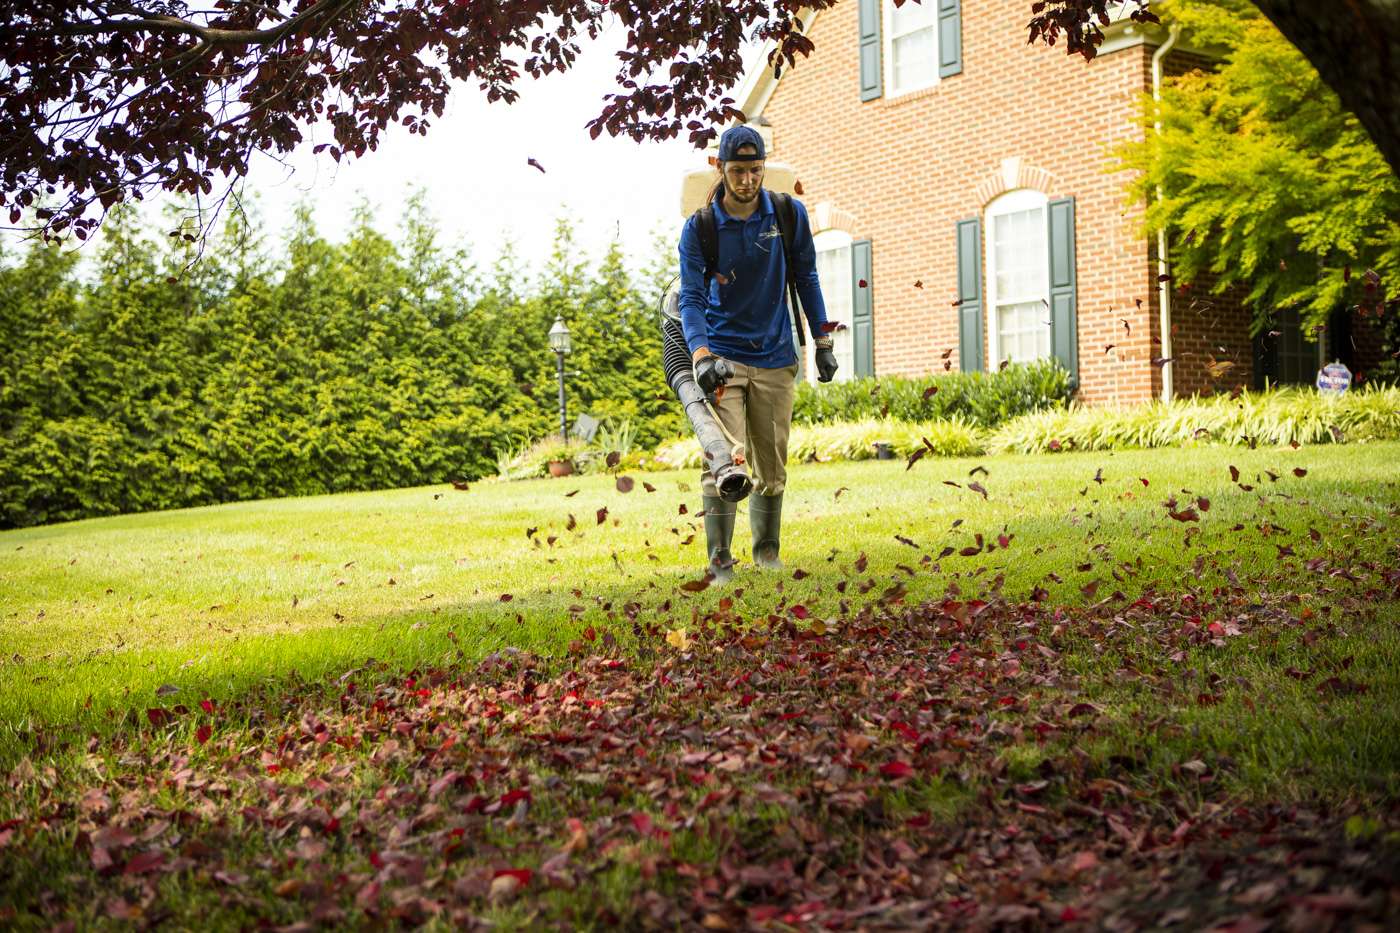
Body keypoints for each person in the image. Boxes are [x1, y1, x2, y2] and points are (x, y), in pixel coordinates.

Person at [676, 124, 839, 582]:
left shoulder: (787, 215)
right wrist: (702, 354)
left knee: (772, 464)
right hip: (723, 356)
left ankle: (767, 553)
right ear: (720, 169)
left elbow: (807, 277)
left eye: (754, 170)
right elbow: (691, 297)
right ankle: (720, 561)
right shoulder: (702, 228)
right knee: (724, 459)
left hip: (775, 355)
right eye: (737, 171)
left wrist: (822, 341)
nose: (747, 180)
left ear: (763, 167)